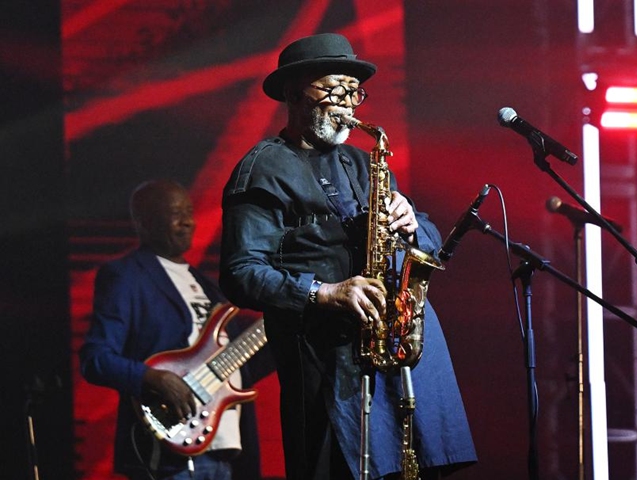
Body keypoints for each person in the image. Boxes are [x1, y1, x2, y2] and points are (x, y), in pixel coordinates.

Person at [219, 33, 477, 480]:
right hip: (327, 365)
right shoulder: (263, 168)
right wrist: (324, 292)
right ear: (294, 93)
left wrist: (411, 222)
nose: (347, 102)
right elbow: (240, 273)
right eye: (333, 88)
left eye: (354, 91)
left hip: (396, 354)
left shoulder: (362, 163)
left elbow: (430, 241)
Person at [80, 179, 268, 480]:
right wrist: (155, 379)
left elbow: (241, 369)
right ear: (144, 223)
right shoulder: (126, 275)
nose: (188, 222)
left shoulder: (208, 287)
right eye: (176, 213)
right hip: (172, 459)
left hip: (225, 454)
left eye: (189, 212)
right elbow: (96, 359)